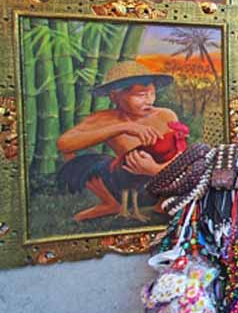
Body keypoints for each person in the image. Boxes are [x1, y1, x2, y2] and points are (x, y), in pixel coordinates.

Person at [56, 61, 188, 222]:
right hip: (123, 179)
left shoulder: (165, 115)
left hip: (164, 179)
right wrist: (121, 128)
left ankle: (160, 203)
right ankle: (110, 203)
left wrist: (155, 170)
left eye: (152, 94)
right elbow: (64, 144)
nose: (149, 100)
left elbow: (182, 156)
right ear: (115, 96)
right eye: (141, 95)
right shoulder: (105, 118)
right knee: (84, 162)